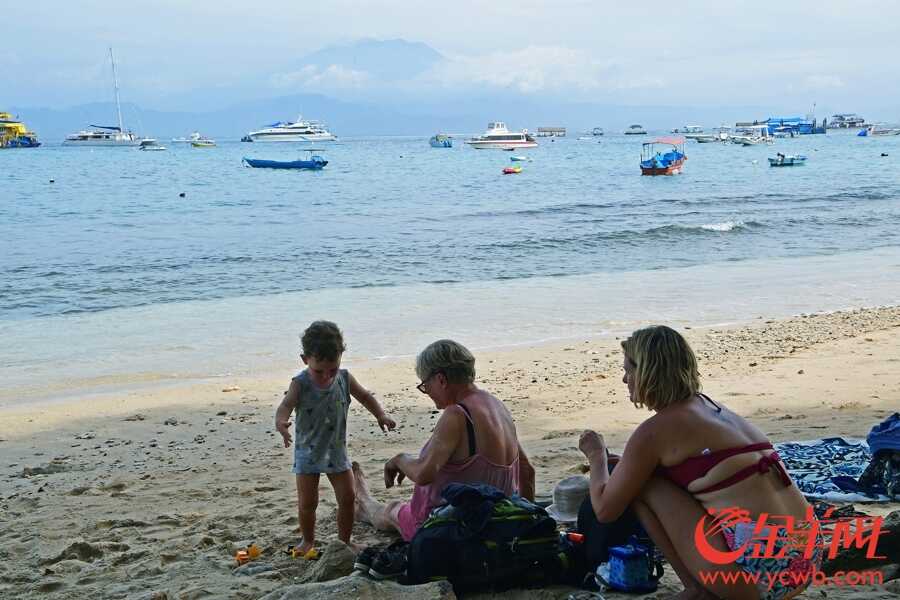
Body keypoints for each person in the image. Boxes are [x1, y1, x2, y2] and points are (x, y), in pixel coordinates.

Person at [578, 326, 821, 600]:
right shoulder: (712, 408)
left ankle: (696, 590)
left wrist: (596, 455)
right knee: (649, 476)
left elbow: (605, 510)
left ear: (647, 372)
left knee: (643, 485)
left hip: (761, 575)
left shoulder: (655, 431)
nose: (625, 379)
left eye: (629, 370)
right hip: (807, 555)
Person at [353, 339, 536, 542]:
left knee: (392, 510)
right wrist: (523, 524)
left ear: (441, 379)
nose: (427, 392)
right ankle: (365, 500)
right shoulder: (497, 406)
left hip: (449, 526)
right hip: (497, 518)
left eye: (425, 385)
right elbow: (527, 471)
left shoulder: (457, 414)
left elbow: (424, 474)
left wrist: (399, 459)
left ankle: (364, 502)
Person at [275, 320, 396, 555]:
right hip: (307, 452)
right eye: (319, 370)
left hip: (337, 451)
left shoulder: (344, 378)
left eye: (332, 368)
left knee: (348, 498)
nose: (326, 375)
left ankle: (344, 540)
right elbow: (285, 405)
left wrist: (380, 414)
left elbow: (365, 396)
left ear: (341, 356)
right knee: (308, 503)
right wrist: (281, 422)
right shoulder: (300, 383)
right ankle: (307, 540)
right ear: (305, 359)